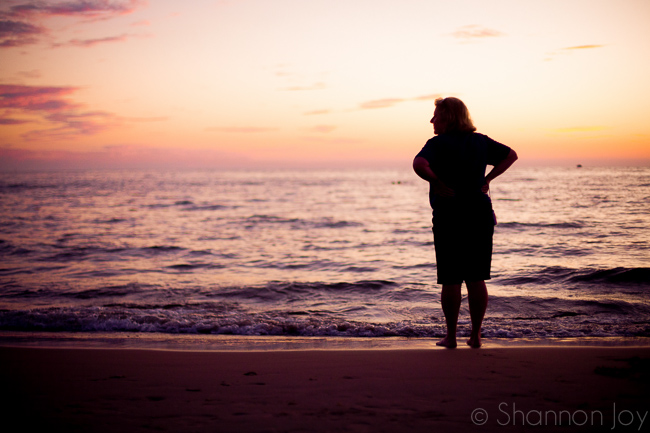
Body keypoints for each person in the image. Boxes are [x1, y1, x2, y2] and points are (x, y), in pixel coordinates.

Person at [413, 97, 517, 348]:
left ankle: (450, 337)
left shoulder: (437, 143)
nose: (431, 120)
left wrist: (436, 182)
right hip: (479, 215)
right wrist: (488, 178)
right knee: (476, 277)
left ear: (447, 116)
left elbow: (419, 163)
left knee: (450, 278)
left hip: (449, 216)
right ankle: (476, 335)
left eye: (435, 115)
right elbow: (511, 155)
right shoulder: (480, 141)